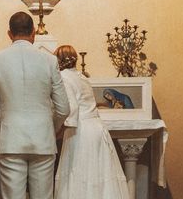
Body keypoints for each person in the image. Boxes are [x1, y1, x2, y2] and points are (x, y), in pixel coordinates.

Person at [0, 12, 70, 199]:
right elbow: (63, 108)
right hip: (43, 141)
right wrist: (51, 130)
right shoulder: (50, 60)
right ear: (33, 33)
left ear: (9, 34)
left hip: (10, 142)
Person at [53, 45, 129, 199]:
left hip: (81, 132)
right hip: (96, 128)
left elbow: (71, 109)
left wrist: (57, 131)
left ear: (58, 60)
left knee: (80, 175)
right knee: (98, 175)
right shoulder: (82, 77)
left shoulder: (64, 78)